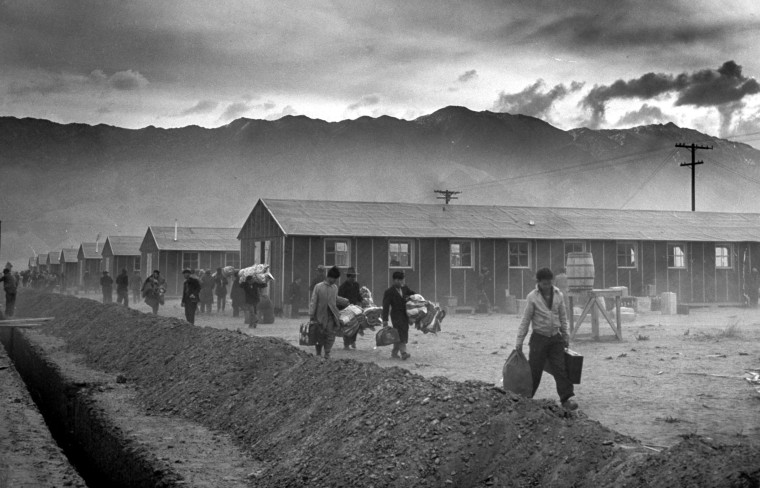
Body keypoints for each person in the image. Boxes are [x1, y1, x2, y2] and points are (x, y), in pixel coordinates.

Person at [514, 267, 577, 411]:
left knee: (560, 369)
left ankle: (566, 399)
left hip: (555, 338)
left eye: (549, 283)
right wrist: (519, 341)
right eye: (544, 284)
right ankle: (526, 399)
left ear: (552, 281)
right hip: (538, 339)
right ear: (538, 283)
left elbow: (563, 317)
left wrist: (565, 336)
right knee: (534, 371)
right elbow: (525, 320)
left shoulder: (559, 295)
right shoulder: (532, 297)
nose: (547, 286)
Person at [309, 265, 343, 359]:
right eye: (334, 278)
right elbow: (313, 301)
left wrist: (344, 301)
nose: (335, 281)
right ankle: (318, 353)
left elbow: (335, 299)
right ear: (329, 277)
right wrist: (312, 314)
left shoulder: (335, 288)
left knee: (331, 335)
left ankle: (327, 352)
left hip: (331, 316)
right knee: (319, 334)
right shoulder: (318, 287)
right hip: (319, 315)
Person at [382, 271, 415, 360]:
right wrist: (385, 320)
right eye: (399, 280)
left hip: (405, 314)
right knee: (400, 332)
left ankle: (394, 353)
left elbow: (413, 295)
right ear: (394, 280)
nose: (401, 282)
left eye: (402, 280)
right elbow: (385, 306)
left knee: (401, 332)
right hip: (396, 315)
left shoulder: (405, 289)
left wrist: (420, 300)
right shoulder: (389, 291)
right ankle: (403, 353)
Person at [338, 267, 362, 349]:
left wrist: (361, 301)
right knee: (347, 326)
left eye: (354, 277)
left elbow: (358, 295)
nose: (353, 278)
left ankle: (353, 341)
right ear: (348, 277)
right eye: (352, 277)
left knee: (356, 325)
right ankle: (346, 344)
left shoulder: (356, 285)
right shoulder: (342, 287)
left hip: (355, 309)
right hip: (346, 310)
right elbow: (339, 299)